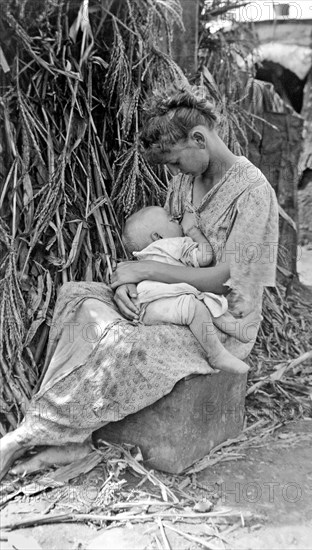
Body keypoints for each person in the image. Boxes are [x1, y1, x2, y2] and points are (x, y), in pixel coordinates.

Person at [0, 87, 279, 479]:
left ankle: (31, 434)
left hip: (218, 322)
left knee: (122, 341)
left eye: (176, 162)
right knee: (76, 296)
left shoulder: (252, 194)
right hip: (168, 299)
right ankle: (71, 441)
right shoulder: (186, 183)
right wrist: (127, 286)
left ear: (199, 139)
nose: (174, 174)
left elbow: (225, 280)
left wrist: (145, 274)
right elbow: (161, 248)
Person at [123, 205, 260, 374]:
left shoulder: (144, 255)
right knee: (199, 305)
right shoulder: (175, 244)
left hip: (147, 307)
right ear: (158, 236)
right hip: (164, 302)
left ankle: (238, 330)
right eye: (172, 220)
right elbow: (205, 257)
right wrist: (195, 234)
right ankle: (216, 353)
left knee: (203, 302)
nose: (178, 221)